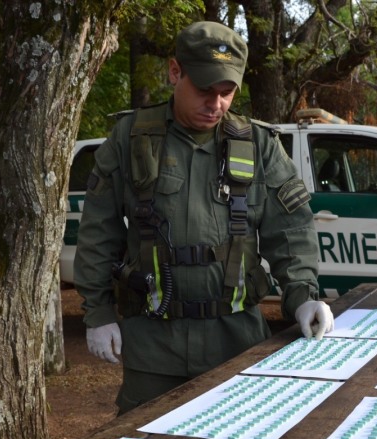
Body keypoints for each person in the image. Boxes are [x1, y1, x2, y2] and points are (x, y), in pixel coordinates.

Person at [74, 21, 333, 415]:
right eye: (205, 90)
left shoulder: (257, 146)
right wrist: (98, 313)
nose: (216, 104)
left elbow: (291, 230)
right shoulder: (129, 139)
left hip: (237, 343)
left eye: (227, 92)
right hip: (152, 347)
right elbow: (98, 232)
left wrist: (303, 297)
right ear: (175, 72)